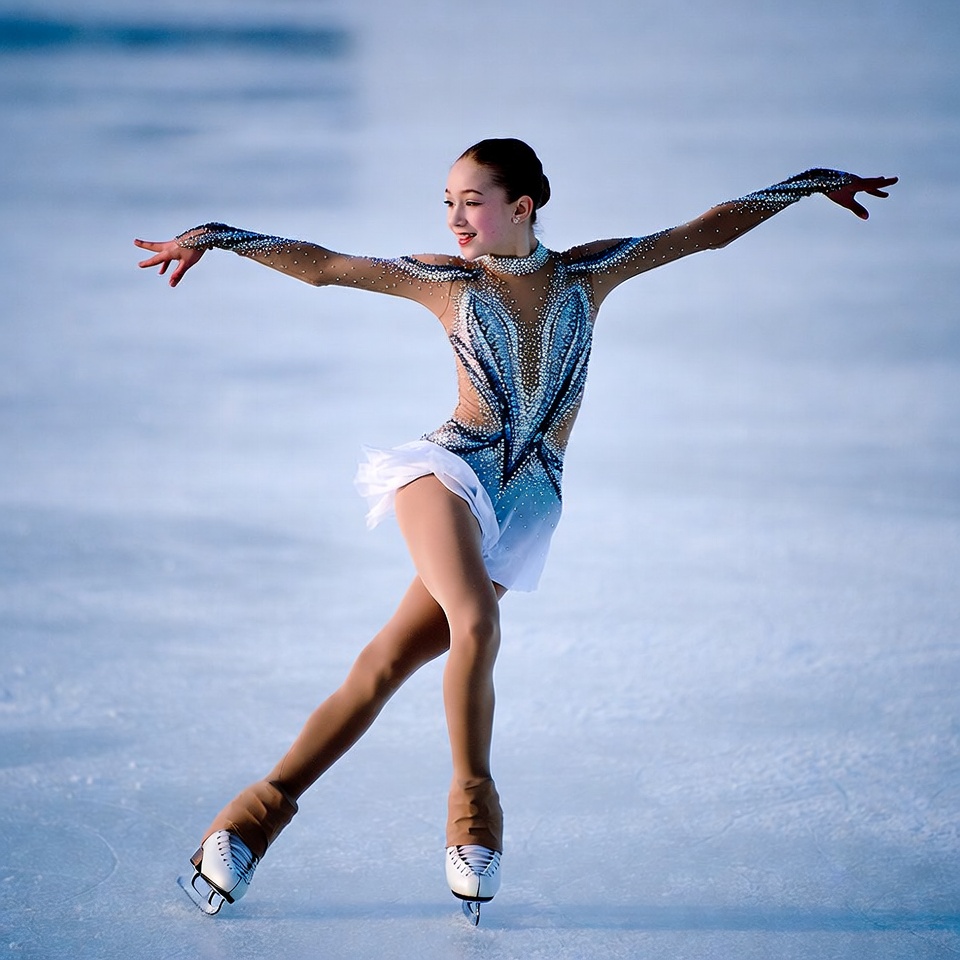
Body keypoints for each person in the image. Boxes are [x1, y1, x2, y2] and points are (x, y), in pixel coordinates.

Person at [135, 138, 896, 920]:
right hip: (447, 474)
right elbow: (328, 266)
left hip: (526, 506)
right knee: (475, 621)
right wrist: (218, 235)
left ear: (521, 206)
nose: (456, 219)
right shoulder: (448, 282)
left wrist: (807, 184)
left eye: (472, 202)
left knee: (385, 664)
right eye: (449, 204)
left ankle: (247, 823)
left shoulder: (588, 274)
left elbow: (703, 233)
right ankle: (474, 812)